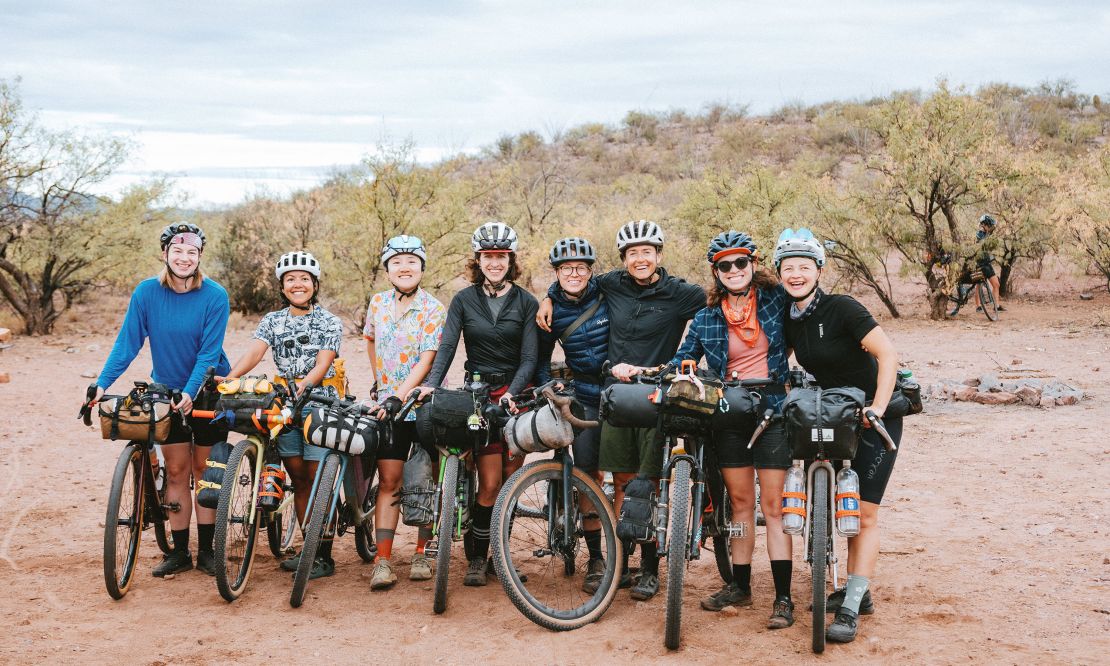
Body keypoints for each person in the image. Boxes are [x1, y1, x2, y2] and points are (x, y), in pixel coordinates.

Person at [538, 219, 706, 601]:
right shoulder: (612, 283)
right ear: (624, 259)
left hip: (654, 398)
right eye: (633, 253)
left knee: (644, 481)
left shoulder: (680, 293)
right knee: (617, 477)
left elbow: (717, 305)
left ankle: (648, 568)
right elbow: (573, 281)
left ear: (659, 255)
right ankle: (615, 559)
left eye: (647, 251)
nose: (640, 259)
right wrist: (549, 295)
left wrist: (691, 359)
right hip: (614, 398)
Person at [657, 231, 796, 629]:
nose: (734, 271)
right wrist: (657, 372)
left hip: (772, 410)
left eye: (740, 263)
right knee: (739, 504)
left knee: (772, 507)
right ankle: (740, 584)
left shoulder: (776, 300)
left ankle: (783, 597)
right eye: (724, 265)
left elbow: (809, 319)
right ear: (716, 272)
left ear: (753, 265)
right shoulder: (706, 317)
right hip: (729, 410)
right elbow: (684, 358)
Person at [774, 228, 904, 644]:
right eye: (788, 267)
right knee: (835, 499)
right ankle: (851, 587)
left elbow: (888, 354)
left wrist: (879, 407)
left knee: (864, 514)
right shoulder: (791, 319)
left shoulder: (842, 308)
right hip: (833, 414)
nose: (796, 274)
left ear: (818, 270)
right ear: (779, 272)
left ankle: (852, 604)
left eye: (804, 267)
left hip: (873, 416)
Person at [94, 222, 231, 577]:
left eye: (192, 252)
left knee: (204, 473)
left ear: (200, 256)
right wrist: (100, 383)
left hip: (207, 390)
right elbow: (127, 344)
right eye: (177, 251)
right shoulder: (146, 293)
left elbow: (209, 354)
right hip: (167, 392)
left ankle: (208, 552)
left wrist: (191, 391)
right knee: (175, 470)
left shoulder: (215, 295)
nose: (184, 258)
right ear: (165, 254)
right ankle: (180, 551)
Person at [418, 221, 538, 586]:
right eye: (488, 256)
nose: (495, 263)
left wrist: (513, 396)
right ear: (479, 260)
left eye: (501, 256)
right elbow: (449, 346)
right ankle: (476, 559)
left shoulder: (527, 301)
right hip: (477, 395)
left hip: (515, 395)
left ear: (510, 260)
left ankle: (500, 557)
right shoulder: (463, 300)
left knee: (510, 482)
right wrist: (431, 384)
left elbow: (530, 357)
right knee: (489, 482)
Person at [222, 250, 344, 579]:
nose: (297, 284)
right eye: (291, 280)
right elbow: (255, 352)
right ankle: (310, 549)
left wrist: (303, 385)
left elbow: (323, 362)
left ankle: (325, 555)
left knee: (320, 483)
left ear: (315, 285)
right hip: (285, 406)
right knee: (300, 478)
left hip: (321, 403)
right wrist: (231, 378)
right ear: (282, 287)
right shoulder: (273, 321)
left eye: (304, 279)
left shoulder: (329, 321)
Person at [363, 235, 446, 590]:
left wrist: (399, 395)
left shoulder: (433, 308)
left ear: (422, 267)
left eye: (412, 261)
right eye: (396, 262)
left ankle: (422, 553)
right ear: (387, 270)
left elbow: (428, 359)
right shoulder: (378, 303)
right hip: (388, 408)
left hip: (421, 406)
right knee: (390, 479)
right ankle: (382, 561)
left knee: (424, 480)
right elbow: (370, 339)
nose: (405, 267)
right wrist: (380, 384)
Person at [534, 237, 610, 593]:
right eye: (566, 269)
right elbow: (539, 359)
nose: (574, 274)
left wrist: (549, 293)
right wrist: (550, 385)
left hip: (618, 390)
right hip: (584, 394)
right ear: (557, 272)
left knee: (626, 474)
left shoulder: (608, 291)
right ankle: (596, 558)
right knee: (588, 474)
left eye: (580, 268)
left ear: (591, 270)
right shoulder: (550, 311)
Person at [950, 214, 1005, 316]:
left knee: (996, 284)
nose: (991, 228)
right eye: (989, 225)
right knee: (979, 284)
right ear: (985, 225)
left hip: (987, 263)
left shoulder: (988, 234)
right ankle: (978, 306)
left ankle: (996, 306)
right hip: (980, 264)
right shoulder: (979, 235)